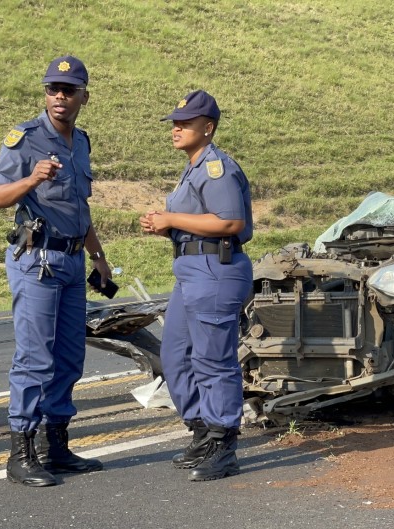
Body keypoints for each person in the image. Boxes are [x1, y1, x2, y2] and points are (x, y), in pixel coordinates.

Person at [0, 56, 110, 487]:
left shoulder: (81, 141)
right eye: (53, 88)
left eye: (69, 89)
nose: (60, 96)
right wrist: (32, 179)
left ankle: (57, 446)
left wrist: (98, 257)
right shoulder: (25, 138)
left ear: (83, 97)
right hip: (36, 260)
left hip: (74, 260)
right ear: (46, 94)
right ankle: (21, 453)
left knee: (69, 358)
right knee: (35, 359)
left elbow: (80, 204)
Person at [139, 90, 253, 482]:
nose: (176, 128)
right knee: (174, 356)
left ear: (208, 127)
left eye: (185, 123)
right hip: (191, 268)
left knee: (212, 360)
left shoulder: (216, 167)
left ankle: (224, 442)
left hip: (215, 271)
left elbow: (229, 223)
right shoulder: (193, 167)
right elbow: (195, 225)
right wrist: (165, 226)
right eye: (175, 122)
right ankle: (203, 430)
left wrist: (170, 217)